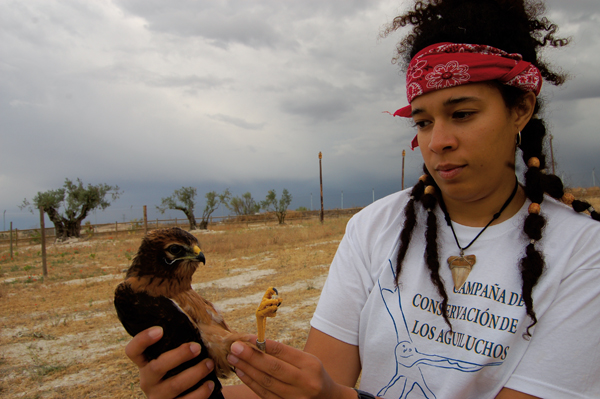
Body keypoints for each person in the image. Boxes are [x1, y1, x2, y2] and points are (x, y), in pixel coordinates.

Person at [125, 0, 600, 398]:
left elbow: (329, 393)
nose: (438, 142)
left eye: (461, 113)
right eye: (423, 121)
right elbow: (320, 374)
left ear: (520, 108)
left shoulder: (583, 254)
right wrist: (202, 391)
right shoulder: (376, 226)